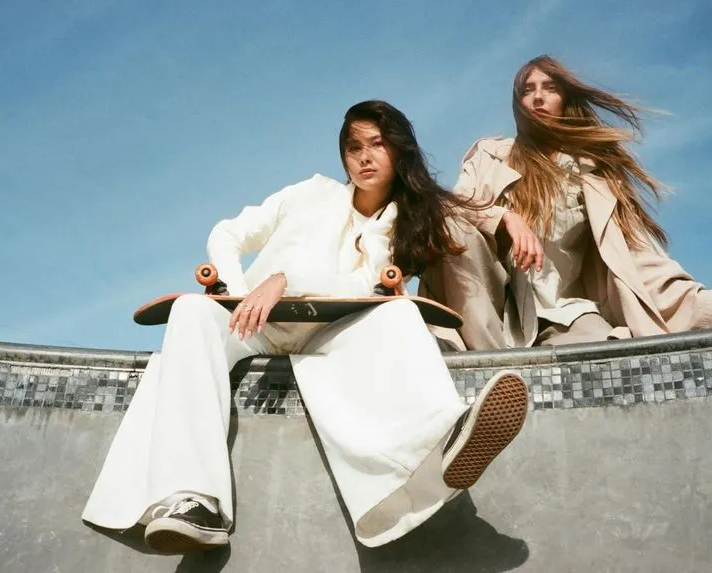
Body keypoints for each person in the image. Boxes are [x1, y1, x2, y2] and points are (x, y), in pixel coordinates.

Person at [81, 100, 529, 552]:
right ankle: (194, 501)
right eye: (353, 147)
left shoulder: (402, 223)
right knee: (191, 311)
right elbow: (228, 233)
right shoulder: (310, 193)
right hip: (254, 324)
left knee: (399, 311)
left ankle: (444, 438)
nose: (364, 157)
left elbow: (365, 287)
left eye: (377, 144)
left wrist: (285, 280)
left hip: (331, 331)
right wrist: (235, 292)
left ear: (399, 150)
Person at [420, 55, 712, 351]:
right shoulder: (492, 156)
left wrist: (702, 305)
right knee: (455, 229)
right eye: (528, 90)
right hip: (497, 309)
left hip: (564, 310)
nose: (538, 97)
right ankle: (478, 362)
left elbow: (633, 254)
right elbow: (451, 207)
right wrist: (505, 219)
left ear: (565, 99)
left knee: (608, 351)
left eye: (549, 88)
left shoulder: (592, 173)